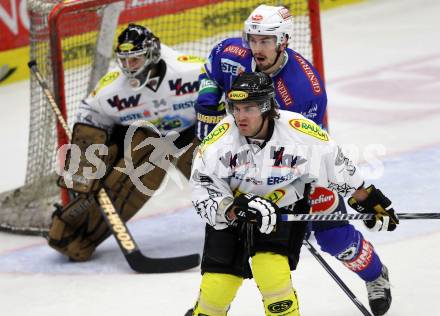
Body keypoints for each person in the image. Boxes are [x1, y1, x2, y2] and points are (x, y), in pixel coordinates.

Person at [194, 5, 394, 316]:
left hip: (292, 167)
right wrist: (207, 101)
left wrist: (359, 194)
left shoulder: (303, 88)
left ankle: (375, 274)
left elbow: (313, 149)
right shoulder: (230, 54)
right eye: (253, 39)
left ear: (284, 41)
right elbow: (209, 71)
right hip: (234, 158)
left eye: (265, 41)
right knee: (226, 266)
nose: (256, 49)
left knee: (333, 236)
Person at [47, 24, 202, 261]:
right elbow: (90, 113)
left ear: (151, 53)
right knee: (119, 188)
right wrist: (86, 160)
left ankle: (255, 225)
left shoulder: (191, 70)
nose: (129, 67)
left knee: (221, 177)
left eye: (136, 59)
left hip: (193, 134)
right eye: (125, 60)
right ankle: (76, 233)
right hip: (149, 142)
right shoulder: (112, 89)